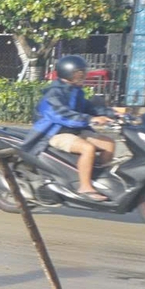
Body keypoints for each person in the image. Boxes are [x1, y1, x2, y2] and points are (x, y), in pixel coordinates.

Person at [27, 55, 116, 198]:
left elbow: (90, 108)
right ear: (67, 73)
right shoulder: (53, 93)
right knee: (88, 148)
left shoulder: (75, 91)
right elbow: (62, 114)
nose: (82, 77)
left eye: (82, 73)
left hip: (74, 131)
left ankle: (99, 178)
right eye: (78, 74)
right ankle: (85, 187)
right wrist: (90, 119)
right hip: (54, 133)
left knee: (109, 144)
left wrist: (114, 114)